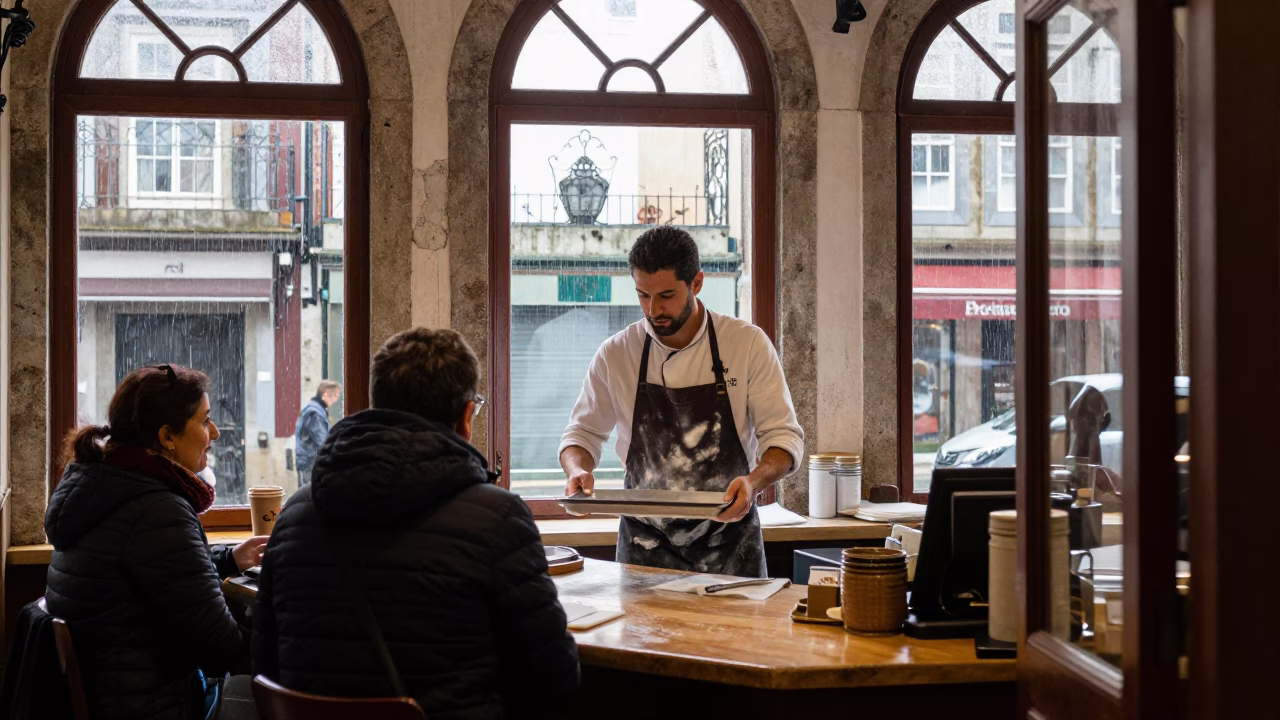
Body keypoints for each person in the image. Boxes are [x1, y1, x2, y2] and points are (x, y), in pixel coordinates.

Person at [253, 328, 579, 717]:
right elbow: (554, 681)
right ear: (466, 416)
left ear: (377, 403)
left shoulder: (294, 515)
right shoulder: (498, 519)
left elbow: (264, 662)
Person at [560, 227, 805, 577]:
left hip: (730, 548)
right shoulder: (616, 354)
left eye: (666, 295)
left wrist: (753, 482)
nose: (653, 309)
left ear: (697, 282)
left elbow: (784, 439)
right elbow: (581, 435)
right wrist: (578, 470)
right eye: (643, 295)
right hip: (643, 552)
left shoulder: (746, 344)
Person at [44, 364, 269, 720]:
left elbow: (150, 573)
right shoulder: (158, 509)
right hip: (155, 706)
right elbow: (221, 649)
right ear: (168, 437)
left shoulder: (101, 486)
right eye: (204, 420)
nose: (215, 432)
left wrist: (227, 560)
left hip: (117, 696)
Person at [294, 380, 341, 486]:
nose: (337, 399)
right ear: (326, 394)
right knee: (310, 497)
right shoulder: (315, 413)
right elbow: (323, 441)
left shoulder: (316, 410)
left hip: (311, 463)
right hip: (311, 465)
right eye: (336, 395)